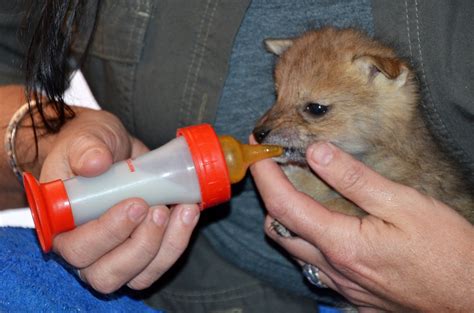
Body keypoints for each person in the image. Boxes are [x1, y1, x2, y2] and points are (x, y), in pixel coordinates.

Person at [0, 0, 472, 312]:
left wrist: (458, 286)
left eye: (315, 111)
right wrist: (44, 137)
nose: (266, 125)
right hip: (200, 287)